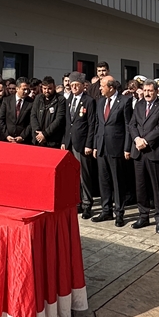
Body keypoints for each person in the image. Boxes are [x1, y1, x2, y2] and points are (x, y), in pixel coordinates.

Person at [128, 79, 159, 232]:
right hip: (139, 152)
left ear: (156, 91)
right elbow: (132, 124)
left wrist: (145, 141)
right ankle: (143, 216)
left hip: (155, 151)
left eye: (150, 91)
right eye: (145, 90)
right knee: (141, 186)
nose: (147, 93)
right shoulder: (139, 105)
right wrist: (136, 139)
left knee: (157, 187)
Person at [90, 76, 131, 226]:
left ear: (111, 87)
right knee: (104, 180)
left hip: (116, 147)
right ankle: (106, 210)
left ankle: (119, 213)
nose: (100, 89)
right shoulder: (100, 102)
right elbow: (97, 125)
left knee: (117, 181)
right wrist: (95, 145)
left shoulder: (124, 101)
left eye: (102, 86)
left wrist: (127, 147)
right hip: (101, 146)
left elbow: (128, 126)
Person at [63, 77, 96, 216]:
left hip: (82, 144)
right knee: (74, 175)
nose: (74, 87)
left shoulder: (89, 101)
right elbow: (67, 123)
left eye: (77, 85)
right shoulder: (69, 99)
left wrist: (89, 144)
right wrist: (64, 141)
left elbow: (91, 124)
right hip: (70, 142)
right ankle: (78, 202)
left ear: (83, 85)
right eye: (72, 85)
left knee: (84, 175)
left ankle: (87, 203)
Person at [30, 76, 66, 148]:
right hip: (37, 139)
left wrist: (45, 134)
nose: (47, 91)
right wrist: (37, 132)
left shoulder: (60, 99)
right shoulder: (38, 98)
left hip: (52, 140)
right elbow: (33, 115)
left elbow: (59, 119)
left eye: (49, 88)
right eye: (44, 88)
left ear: (54, 87)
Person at [0, 78, 34, 142]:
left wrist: (22, 136)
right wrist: (6, 135)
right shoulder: (7, 100)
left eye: (27, 89)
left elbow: (31, 122)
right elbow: (1, 118)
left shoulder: (31, 103)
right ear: (17, 89)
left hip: (23, 140)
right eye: (24, 89)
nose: (26, 92)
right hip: (6, 139)